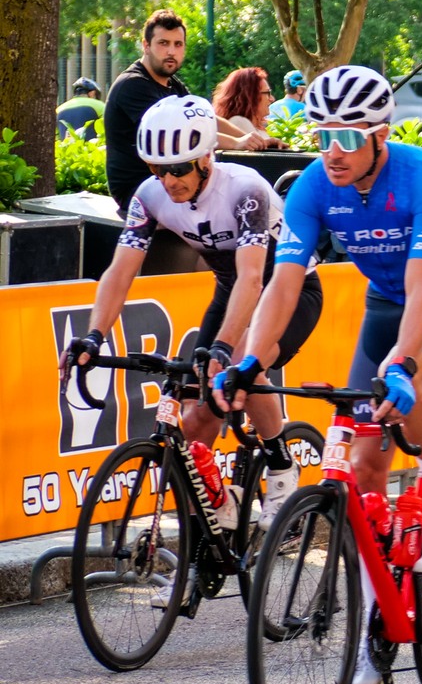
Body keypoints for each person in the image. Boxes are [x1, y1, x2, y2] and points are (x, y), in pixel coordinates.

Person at [211, 66, 422, 684]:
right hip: (386, 303)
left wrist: (402, 364)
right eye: (321, 136)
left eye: (346, 138)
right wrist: (248, 362)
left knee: (409, 378)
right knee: (365, 464)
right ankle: (376, 619)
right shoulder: (315, 185)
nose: (332, 152)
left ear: (379, 135)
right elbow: (283, 286)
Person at [62, 98, 324, 551]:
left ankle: (281, 466)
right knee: (195, 412)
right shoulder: (150, 196)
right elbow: (120, 271)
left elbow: (252, 277)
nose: (168, 180)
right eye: (157, 169)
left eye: (178, 169)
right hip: (230, 287)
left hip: (288, 287)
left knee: (244, 362)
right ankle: (206, 521)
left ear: (206, 158)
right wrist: (93, 334)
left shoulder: (245, 189)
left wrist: (224, 348)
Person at [103, 10, 190, 211]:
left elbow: (204, 116)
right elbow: (183, 130)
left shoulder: (173, 85)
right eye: (163, 43)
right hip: (138, 189)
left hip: (169, 181)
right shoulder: (133, 84)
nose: (171, 51)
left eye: (178, 44)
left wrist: (249, 138)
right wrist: (238, 142)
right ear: (146, 46)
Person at [212, 66, 282, 151]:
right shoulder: (239, 122)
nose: (272, 99)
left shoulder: (251, 125)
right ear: (251, 96)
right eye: (267, 93)